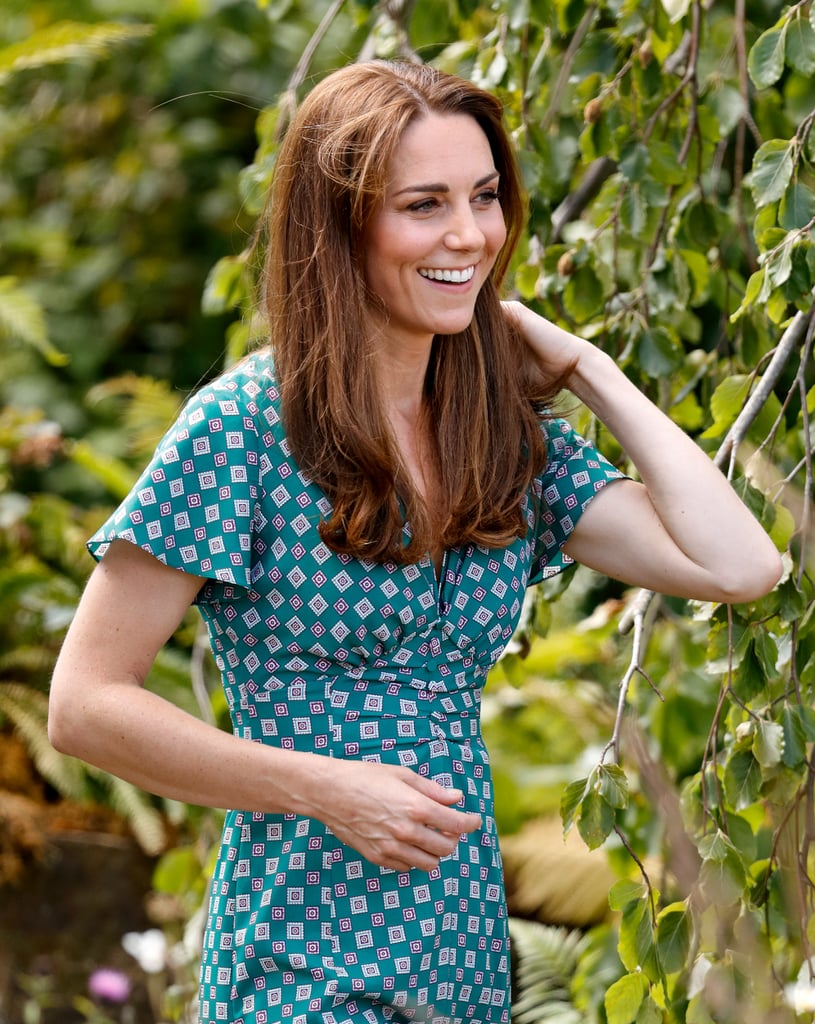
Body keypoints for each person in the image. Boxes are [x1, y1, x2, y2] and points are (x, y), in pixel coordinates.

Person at [48, 60, 782, 1024]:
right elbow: (85, 703)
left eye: (484, 198)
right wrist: (325, 790)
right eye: (423, 204)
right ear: (340, 224)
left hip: (459, 956)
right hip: (294, 959)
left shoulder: (500, 438)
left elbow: (742, 566)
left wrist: (591, 370)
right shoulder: (242, 429)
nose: (468, 236)